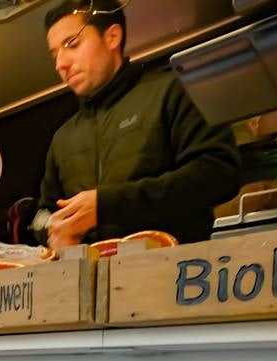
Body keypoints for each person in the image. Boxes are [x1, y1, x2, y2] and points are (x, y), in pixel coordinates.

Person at [37, 0, 241, 252]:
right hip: (88, 282)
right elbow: (42, 214)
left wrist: (107, 206)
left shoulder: (170, 91)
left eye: (72, 44)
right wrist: (52, 227)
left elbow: (219, 172)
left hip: (175, 276)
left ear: (112, 37)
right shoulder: (63, 138)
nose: (60, 64)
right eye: (55, 54)